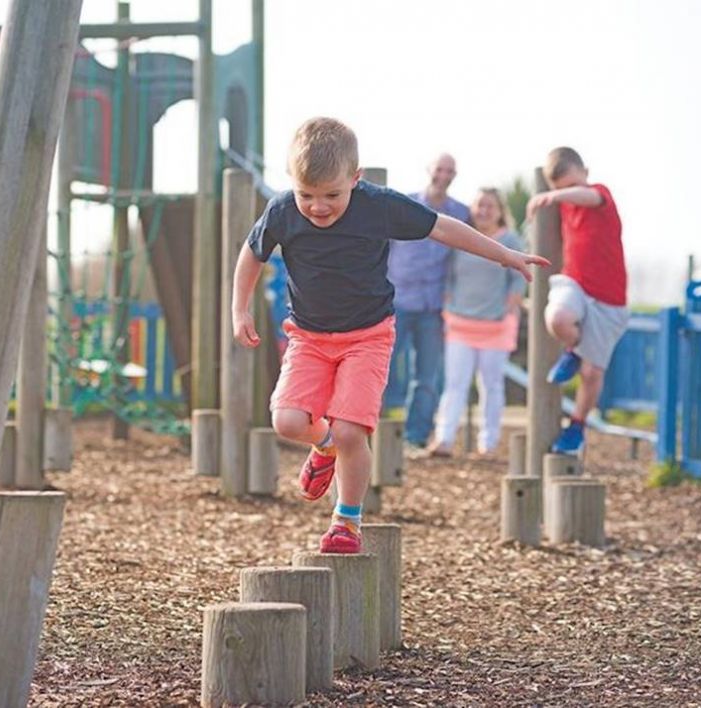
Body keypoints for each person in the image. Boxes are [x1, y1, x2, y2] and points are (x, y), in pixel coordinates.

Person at [231, 117, 548, 553]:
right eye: (307, 195)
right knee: (287, 422)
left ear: (355, 179)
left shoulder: (376, 206)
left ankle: (346, 520)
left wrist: (502, 254)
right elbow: (252, 253)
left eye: (332, 195)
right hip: (308, 337)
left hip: (367, 336)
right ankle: (323, 446)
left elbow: (441, 227)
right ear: (292, 182)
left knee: (350, 431)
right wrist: (240, 308)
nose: (318, 207)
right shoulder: (283, 211)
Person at [527, 147, 629, 455]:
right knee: (557, 318)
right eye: (560, 188)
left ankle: (577, 426)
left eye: (572, 184)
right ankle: (573, 349)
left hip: (609, 300)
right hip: (575, 283)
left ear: (585, 172)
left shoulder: (598, 194)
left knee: (591, 373)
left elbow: (586, 196)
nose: (567, 193)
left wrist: (556, 195)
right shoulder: (562, 205)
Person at [428, 188, 526, 457]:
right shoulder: (462, 237)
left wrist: (510, 307)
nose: (484, 211)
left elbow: (518, 279)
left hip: (496, 325)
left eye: (490, 206)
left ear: (500, 211)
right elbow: (449, 276)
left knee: (492, 386)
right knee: (455, 384)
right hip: (460, 323)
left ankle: (489, 444)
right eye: (480, 205)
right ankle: (445, 439)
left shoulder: (510, 240)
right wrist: (448, 304)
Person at [387, 154, 470, 451]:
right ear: (429, 170)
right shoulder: (404, 204)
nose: (443, 175)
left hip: (433, 306)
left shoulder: (461, 212)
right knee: (379, 368)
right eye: (439, 169)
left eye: (450, 171)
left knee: (426, 376)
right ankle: (370, 433)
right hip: (395, 300)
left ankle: (415, 437)